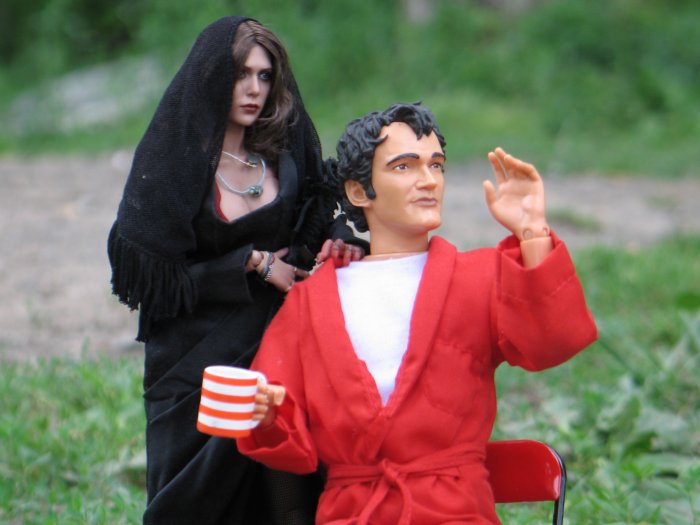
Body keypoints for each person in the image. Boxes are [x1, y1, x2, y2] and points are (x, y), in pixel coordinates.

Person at [237, 102, 598, 524]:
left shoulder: (479, 277)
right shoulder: (310, 304)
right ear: (358, 191)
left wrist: (532, 233)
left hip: (456, 511)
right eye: (404, 166)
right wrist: (264, 415)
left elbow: (551, 342)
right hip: (353, 513)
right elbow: (283, 433)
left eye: (436, 165)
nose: (429, 181)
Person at [107, 16, 364, 525]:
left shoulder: (284, 155)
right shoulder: (173, 166)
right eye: (240, 74)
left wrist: (339, 240)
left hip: (279, 349)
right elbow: (158, 287)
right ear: (211, 78)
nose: (254, 89)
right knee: (196, 503)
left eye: (265, 76)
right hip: (197, 360)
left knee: (289, 485)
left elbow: (320, 215)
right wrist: (250, 262)